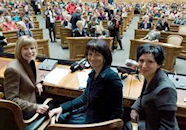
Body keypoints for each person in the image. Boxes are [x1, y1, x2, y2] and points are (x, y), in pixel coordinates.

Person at [49, 39, 123, 124]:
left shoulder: (112, 78)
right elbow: (84, 98)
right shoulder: (93, 73)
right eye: (90, 54)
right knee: (56, 115)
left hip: (97, 122)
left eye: (97, 55)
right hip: (87, 112)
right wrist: (62, 108)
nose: (92, 58)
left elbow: (117, 112)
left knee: (55, 120)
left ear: (105, 57)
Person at [124, 44, 179, 130]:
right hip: (150, 123)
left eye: (150, 62)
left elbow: (167, 128)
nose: (144, 66)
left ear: (159, 64)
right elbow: (143, 94)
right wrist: (135, 108)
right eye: (141, 61)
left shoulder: (166, 90)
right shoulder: (150, 75)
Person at [4, 36, 49, 120]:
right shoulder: (12, 70)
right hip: (24, 111)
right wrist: (36, 107)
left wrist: (37, 83)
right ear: (19, 50)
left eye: (32, 48)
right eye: (25, 49)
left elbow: (30, 76)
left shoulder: (29, 61)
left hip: (32, 99)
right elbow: (11, 100)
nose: (30, 52)